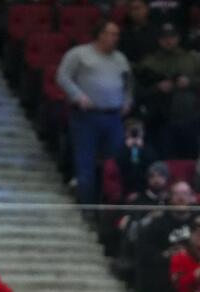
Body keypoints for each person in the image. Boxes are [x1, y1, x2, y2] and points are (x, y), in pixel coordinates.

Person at [56, 21, 132, 205]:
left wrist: (128, 101)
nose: (115, 38)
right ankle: (86, 202)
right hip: (87, 115)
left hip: (113, 116)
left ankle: (108, 202)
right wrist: (78, 96)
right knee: (86, 161)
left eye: (117, 35)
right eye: (111, 34)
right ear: (100, 34)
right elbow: (62, 76)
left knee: (115, 160)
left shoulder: (120, 58)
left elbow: (128, 83)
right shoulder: (79, 54)